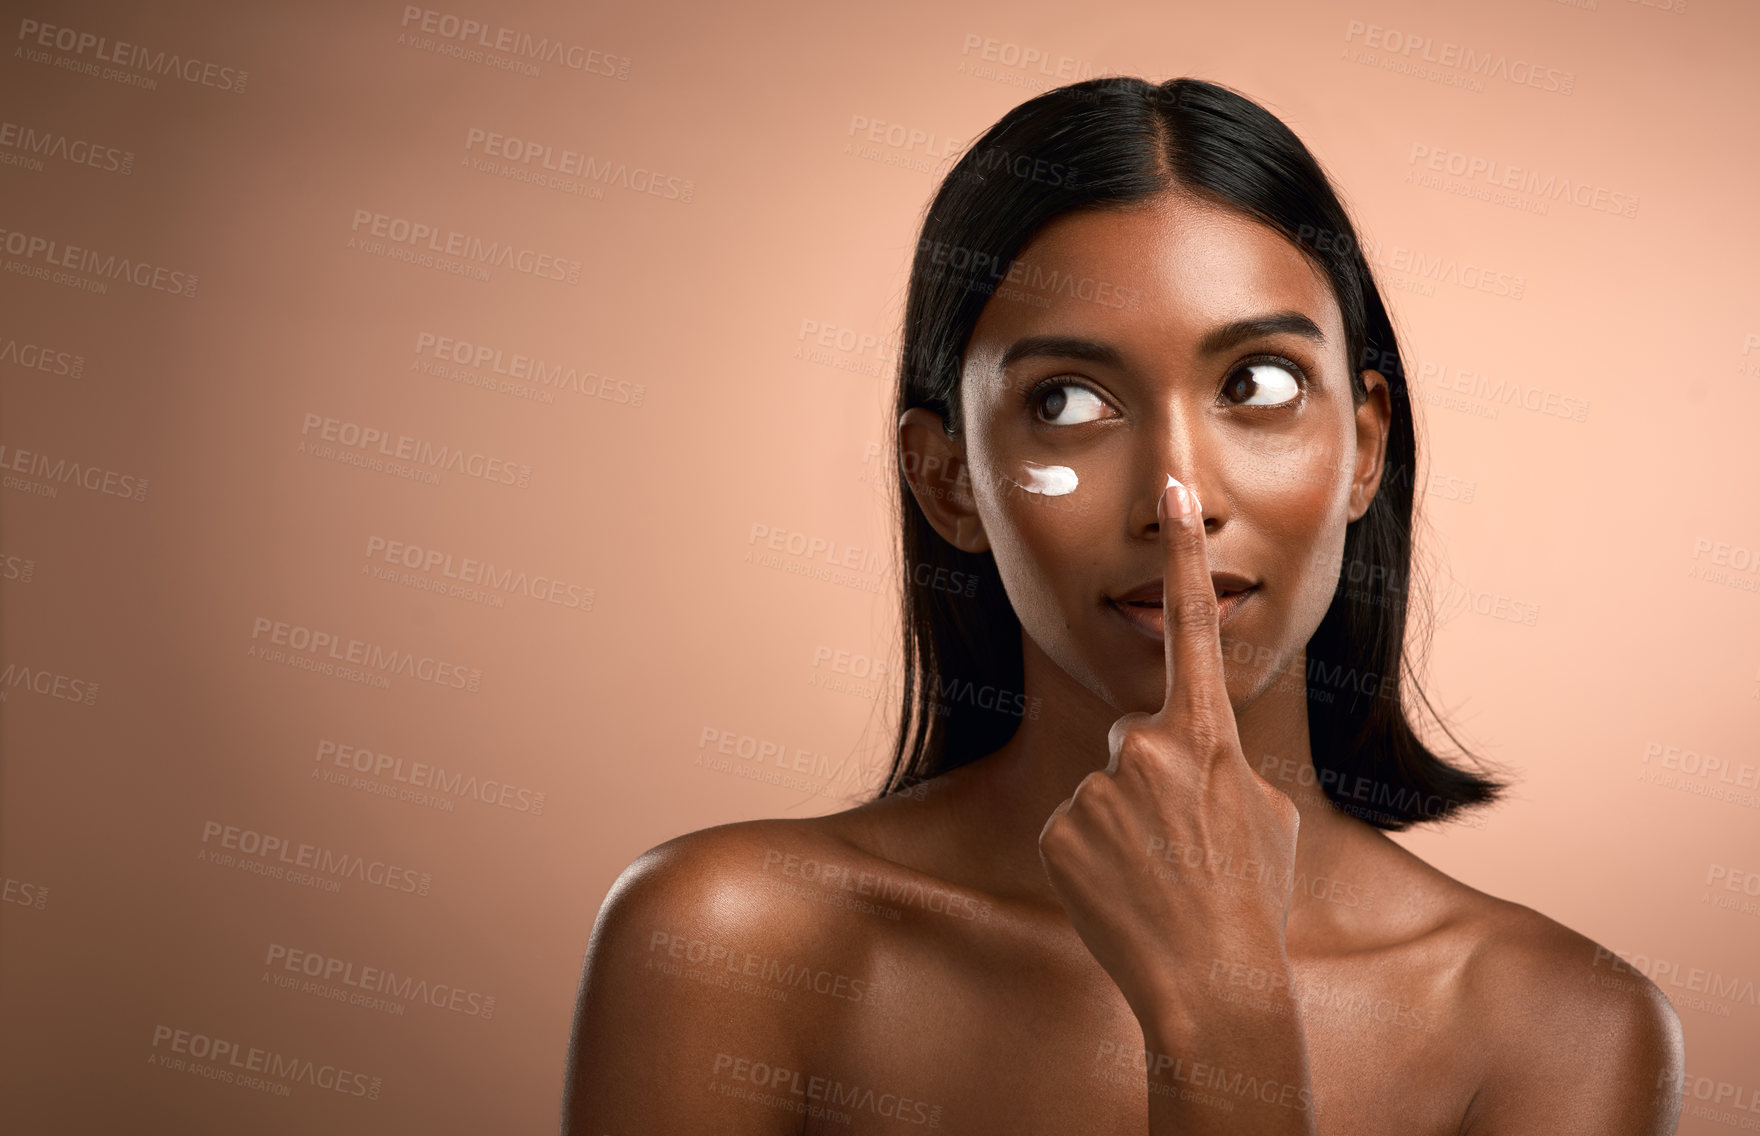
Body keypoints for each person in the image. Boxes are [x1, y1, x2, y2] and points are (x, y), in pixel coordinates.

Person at [562, 76, 1683, 1134]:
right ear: (946, 478)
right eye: (1066, 400)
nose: (1176, 498)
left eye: (1258, 385)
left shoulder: (1555, 1026)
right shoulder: (729, 941)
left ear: (1363, 446)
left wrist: (1223, 1018)